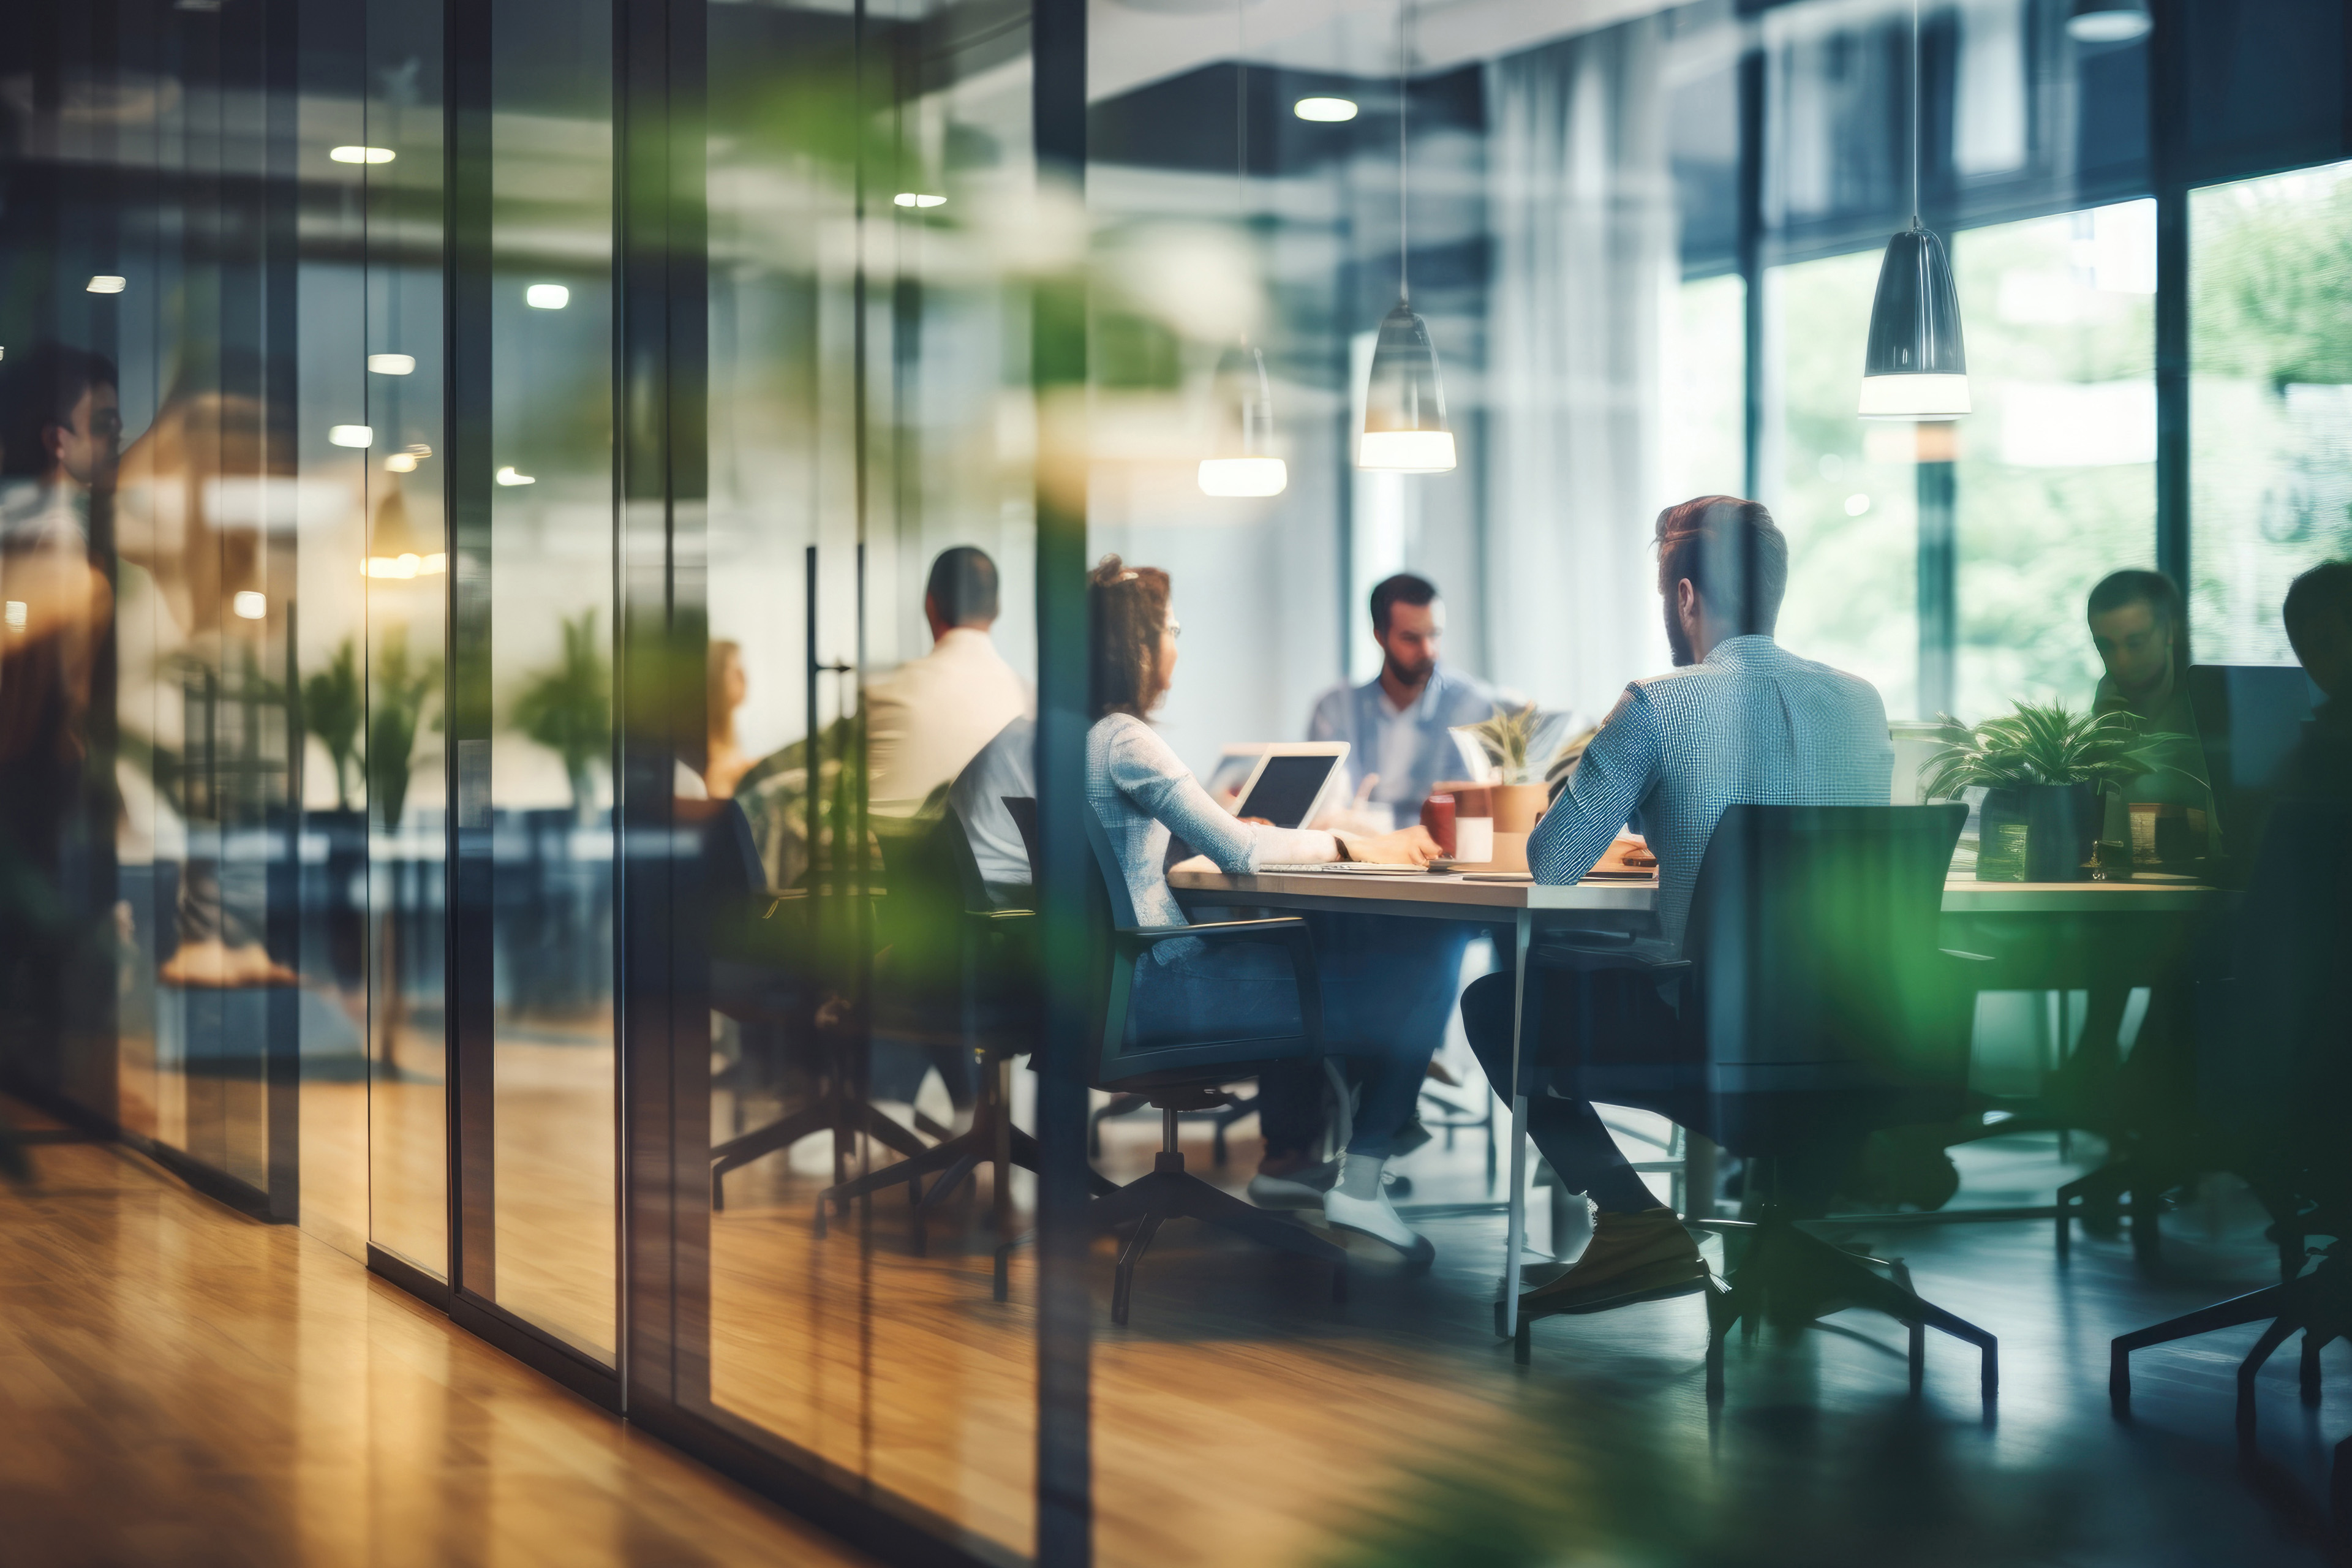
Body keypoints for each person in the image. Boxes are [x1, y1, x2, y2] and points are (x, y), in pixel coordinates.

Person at [1459, 496, 1894, 1317]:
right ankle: (1791, 1231)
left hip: (1716, 1044)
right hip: (1857, 1035)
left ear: (1685, 596)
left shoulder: (1658, 703)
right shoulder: (1862, 702)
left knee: (1496, 1003)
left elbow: (1554, 861)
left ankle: (1634, 1223)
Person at [1085, 556, 1453, 1257]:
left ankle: (1297, 1158)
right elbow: (1243, 853)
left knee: (1315, 958)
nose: (1177, 644)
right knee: (1423, 968)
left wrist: (1231, 825)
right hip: (1167, 991)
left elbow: (1190, 843)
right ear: (1136, 645)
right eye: (1171, 630)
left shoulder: (1083, 740)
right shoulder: (1128, 740)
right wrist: (1360, 845)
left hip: (1122, 987)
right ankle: (1362, 1179)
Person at [1306, 573, 1507, 822]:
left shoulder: (1472, 705)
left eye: (1434, 634)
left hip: (1440, 846)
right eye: (1411, 638)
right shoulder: (1336, 710)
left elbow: (1476, 809)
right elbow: (1326, 809)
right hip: (1355, 843)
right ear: (1380, 637)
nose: (1428, 651)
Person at [864, 546, 1030, 818]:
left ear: (930, 605)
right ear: (997, 608)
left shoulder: (883, 695)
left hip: (887, 845)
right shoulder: (1030, 703)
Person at [2280, 560, 2352, 802]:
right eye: (2305, 652)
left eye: (2325, 643)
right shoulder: (2321, 744)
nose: (2315, 663)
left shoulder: (2321, 748)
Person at [704, 639, 753, 799]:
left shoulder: (732, 743)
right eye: (735, 671)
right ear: (714, 678)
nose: (744, 677)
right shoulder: (711, 758)